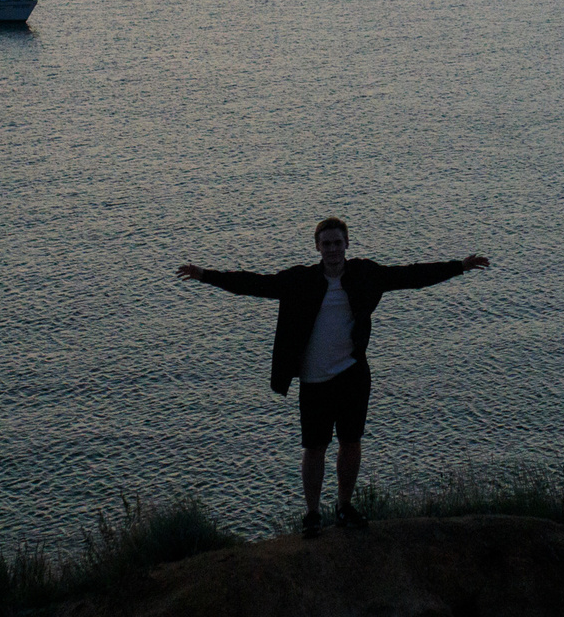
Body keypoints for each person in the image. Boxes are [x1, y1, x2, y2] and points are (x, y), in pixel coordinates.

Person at [179, 218, 489, 537]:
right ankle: (313, 513)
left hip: (352, 374)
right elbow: (254, 284)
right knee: (314, 447)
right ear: (317, 247)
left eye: (337, 243)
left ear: (347, 244)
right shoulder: (300, 280)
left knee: (350, 442)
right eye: (326, 244)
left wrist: (459, 266)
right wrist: (205, 275)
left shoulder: (365, 275)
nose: (332, 249)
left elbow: (411, 276)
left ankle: (344, 506)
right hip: (314, 380)